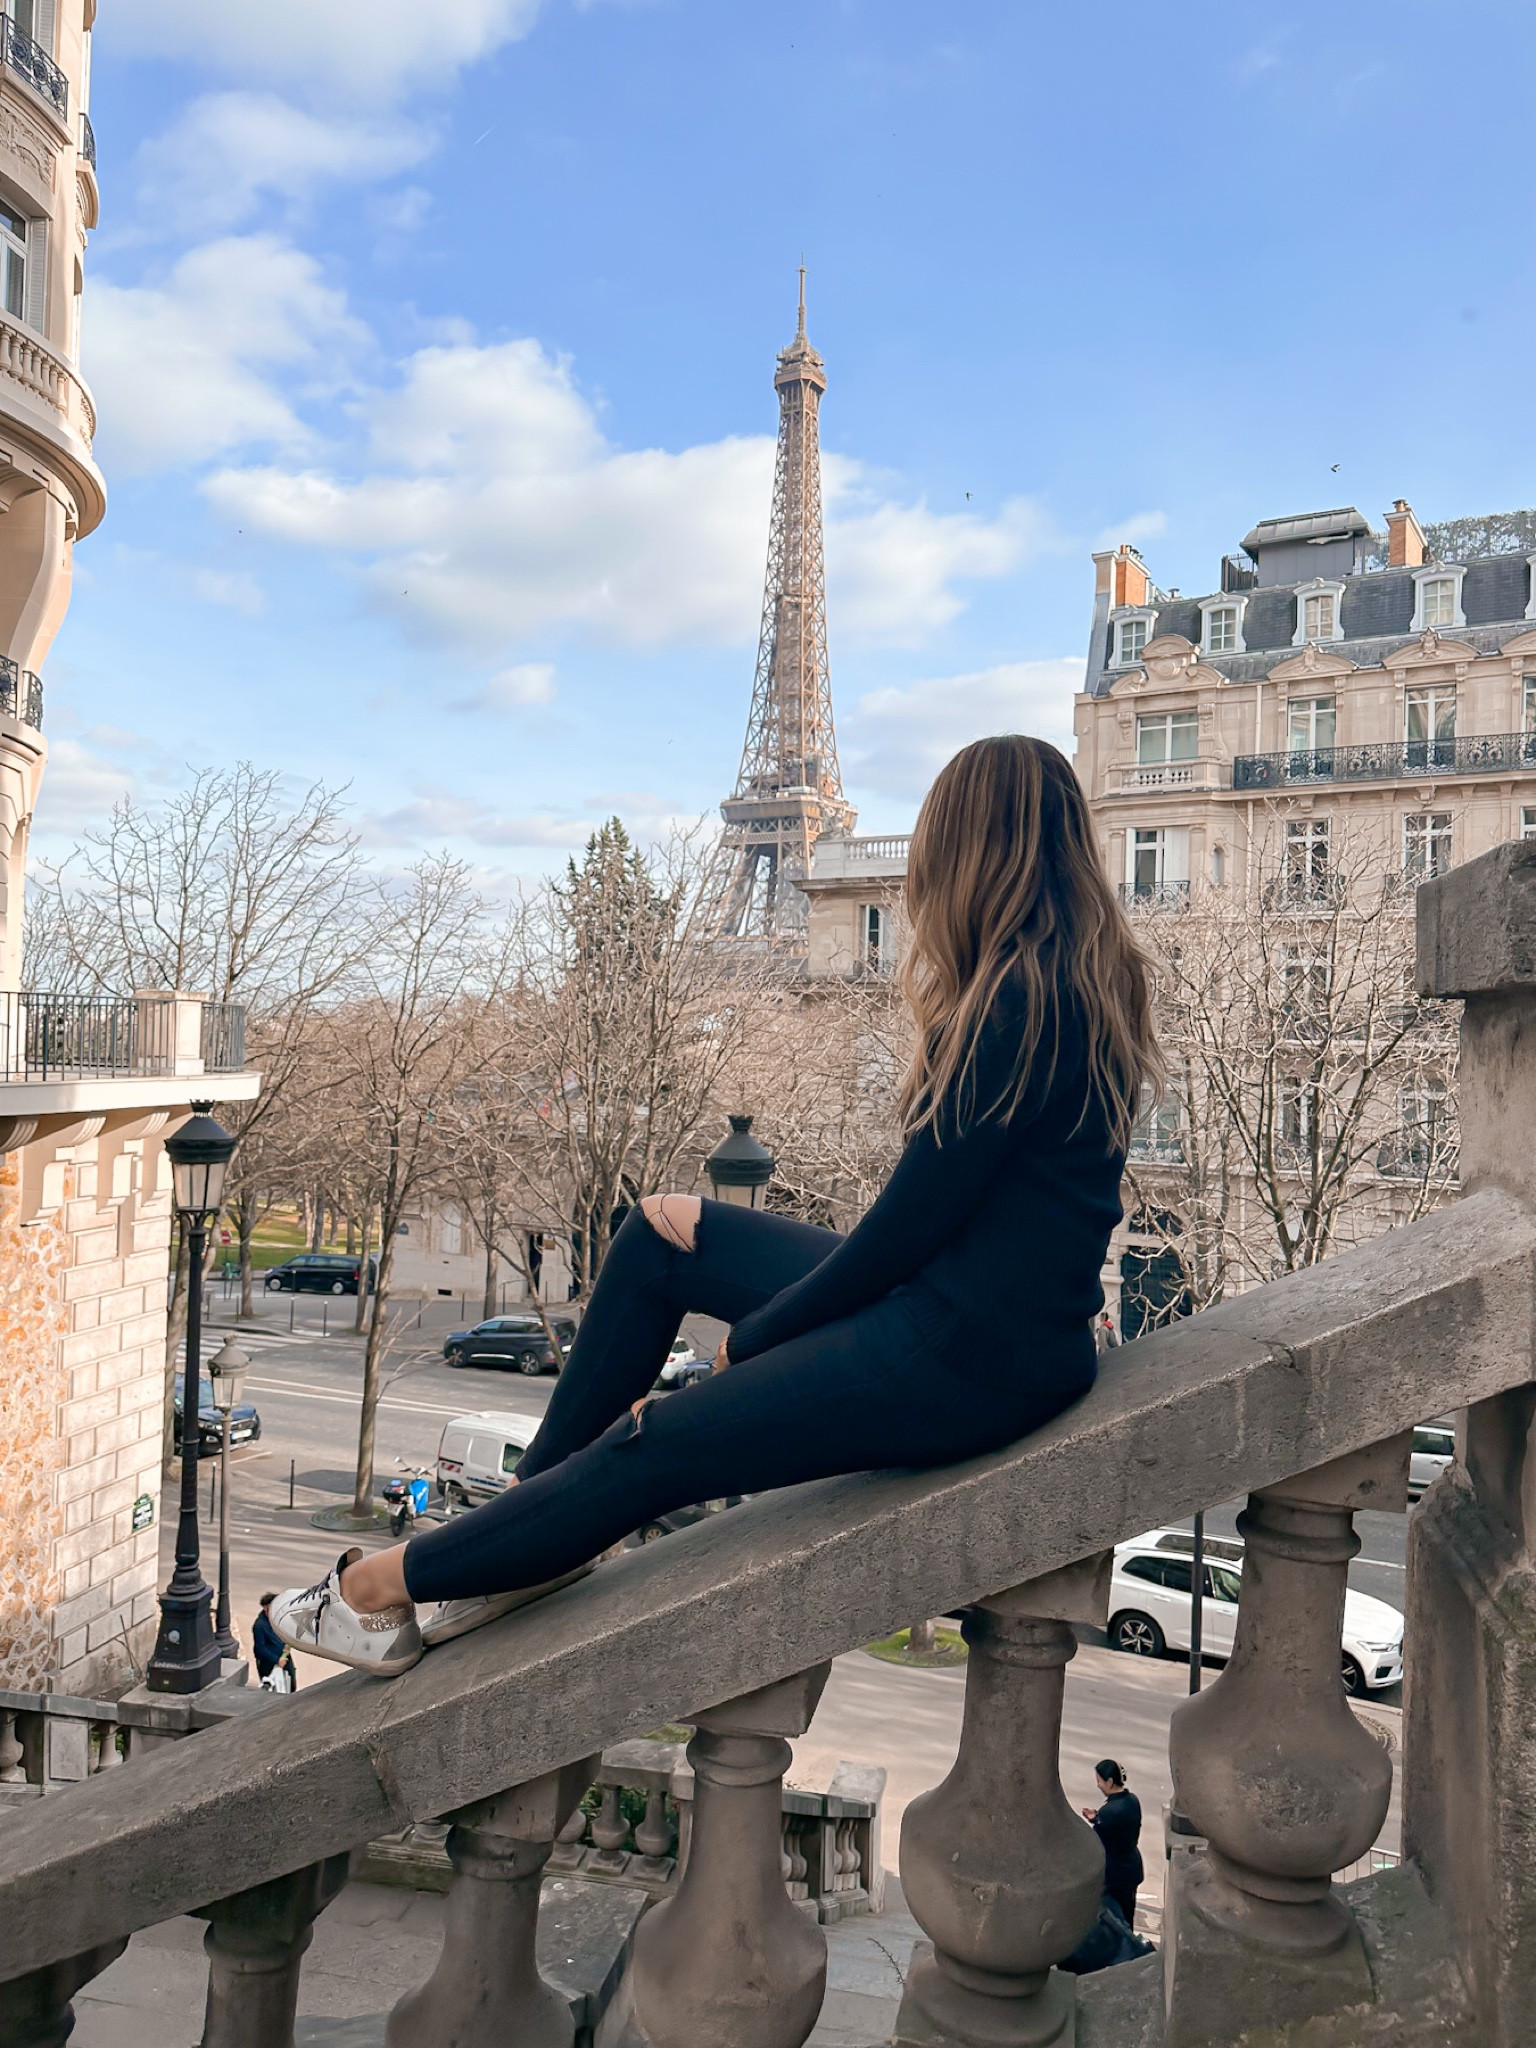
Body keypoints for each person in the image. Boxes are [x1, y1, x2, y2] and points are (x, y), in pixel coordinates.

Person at [271, 734, 1162, 1676]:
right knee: (662, 1232)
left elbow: (905, 1231)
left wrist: (764, 1333)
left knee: (655, 1443)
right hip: (987, 1323)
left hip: (966, 1355)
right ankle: (510, 1539)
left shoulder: (1013, 1003)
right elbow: (930, 1233)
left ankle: (374, 1589)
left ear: (971, 851)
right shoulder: (1086, 979)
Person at [1082, 1759, 1143, 1926]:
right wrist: (1097, 1818)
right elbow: (1120, 1827)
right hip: (1131, 1867)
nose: (1098, 1785)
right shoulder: (1132, 1800)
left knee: (1113, 1918)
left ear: (1109, 1782)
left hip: (1114, 1874)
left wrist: (1098, 1820)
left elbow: (1098, 1841)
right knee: (1127, 1914)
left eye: (1099, 1781)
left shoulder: (1109, 1812)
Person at [253, 1592, 298, 1691]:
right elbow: (260, 1649)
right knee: (273, 1688)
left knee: (290, 1685)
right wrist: (277, 1660)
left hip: (284, 1656)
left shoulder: (279, 1619)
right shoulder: (260, 1625)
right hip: (269, 1663)